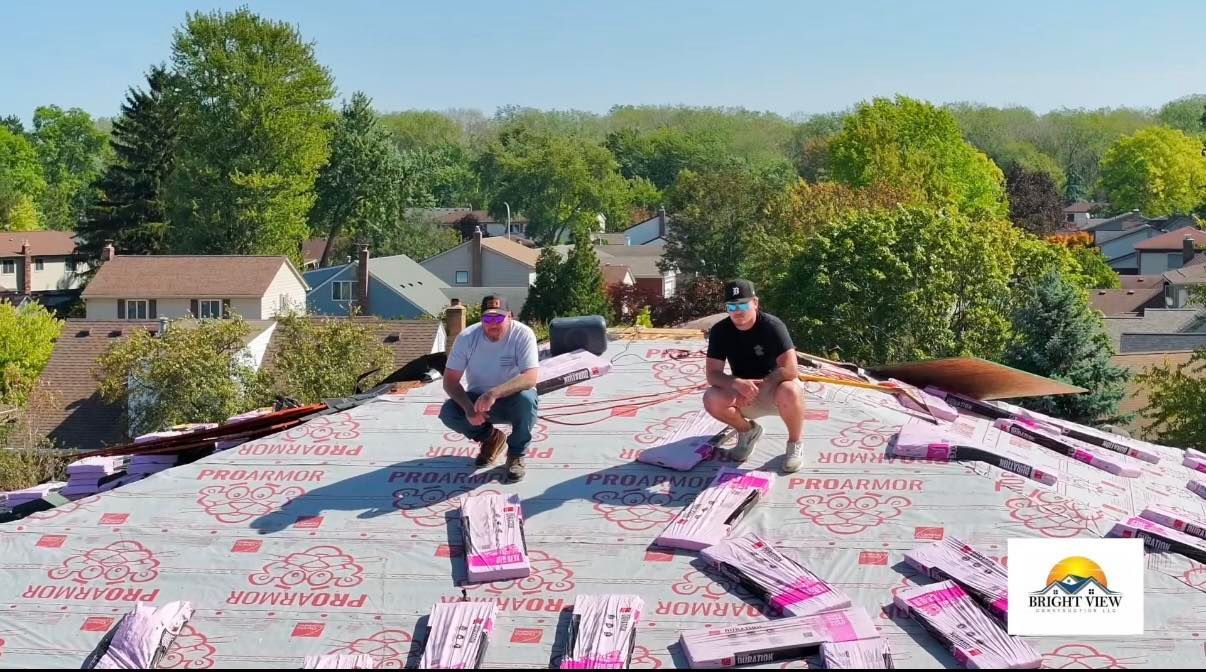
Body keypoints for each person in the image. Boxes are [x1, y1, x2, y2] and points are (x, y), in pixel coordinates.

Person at [702, 279, 806, 474]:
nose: (737, 311)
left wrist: (761, 386)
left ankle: (795, 443)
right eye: (731, 306)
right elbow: (713, 375)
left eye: (742, 304)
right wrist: (736, 383)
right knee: (711, 398)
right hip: (742, 394)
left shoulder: (772, 326)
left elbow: (791, 369)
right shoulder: (720, 331)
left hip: (775, 391)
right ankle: (747, 431)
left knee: (791, 389)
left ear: (755, 303)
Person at [439, 295, 540, 482]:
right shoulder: (467, 338)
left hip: (513, 399)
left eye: (498, 318)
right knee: (449, 412)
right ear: (481, 320)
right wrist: (469, 409)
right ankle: (491, 438)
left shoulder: (523, 334)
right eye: (488, 319)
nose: (493, 324)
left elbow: (530, 378)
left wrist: (493, 393)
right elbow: (450, 381)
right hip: (478, 402)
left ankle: (516, 454)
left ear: (510, 317)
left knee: (528, 400)